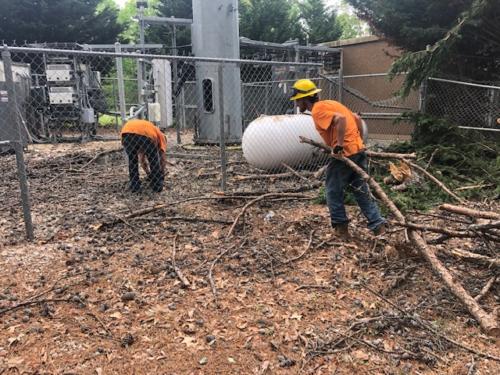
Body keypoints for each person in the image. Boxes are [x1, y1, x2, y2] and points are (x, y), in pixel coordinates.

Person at [290, 79, 386, 237]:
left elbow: (340, 119)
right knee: (361, 190)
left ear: (303, 99)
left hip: (345, 154)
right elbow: (356, 117)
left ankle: (341, 228)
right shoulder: (330, 103)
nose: (297, 104)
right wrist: (358, 141)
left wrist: (340, 145)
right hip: (357, 150)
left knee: (332, 190)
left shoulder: (317, 110)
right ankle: (378, 225)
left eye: (297, 101)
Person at [121, 119, 167, 192]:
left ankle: (134, 186)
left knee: (132, 160)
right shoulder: (161, 136)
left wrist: (148, 173)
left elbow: (142, 160)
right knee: (153, 159)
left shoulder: (150, 129)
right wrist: (162, 173)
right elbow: (162, 158)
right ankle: (157, 186)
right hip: (145, 134)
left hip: (126, 132)